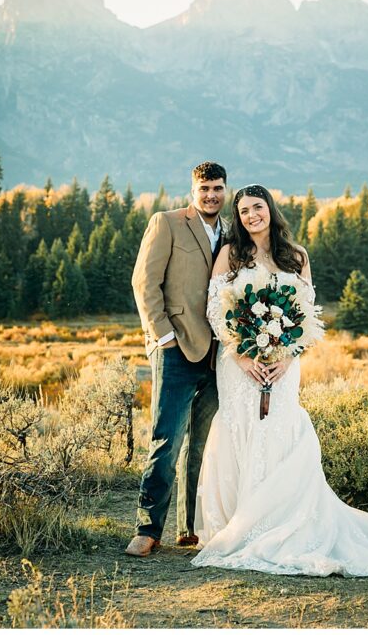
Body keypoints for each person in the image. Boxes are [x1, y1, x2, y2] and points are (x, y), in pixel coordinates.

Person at [192, 183, 368, 576]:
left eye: (258, 207)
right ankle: (239, 522)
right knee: (241, 430)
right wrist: (243, 354)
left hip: (283, 366)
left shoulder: (296, 256)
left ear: (270, 210)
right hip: (238, 365)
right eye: (244, 210)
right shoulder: (230, 255)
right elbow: (216, 311)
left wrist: (287, 357)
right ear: (238, 217)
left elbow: (305, 314)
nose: (252, 216)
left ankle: (283, 523)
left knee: (278, 432)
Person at [127, 162, 228, 557]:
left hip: (218, 354)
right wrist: (163, 336)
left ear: (225, 190)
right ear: (193, 190)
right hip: (175, 350)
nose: (211, 195)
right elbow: (144, 282)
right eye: (204, 188)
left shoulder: (229, 233)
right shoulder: (167, 223)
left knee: (201, 445)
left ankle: (189, 528)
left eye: (218, 188)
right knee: (166, 441)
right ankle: (147, 528)